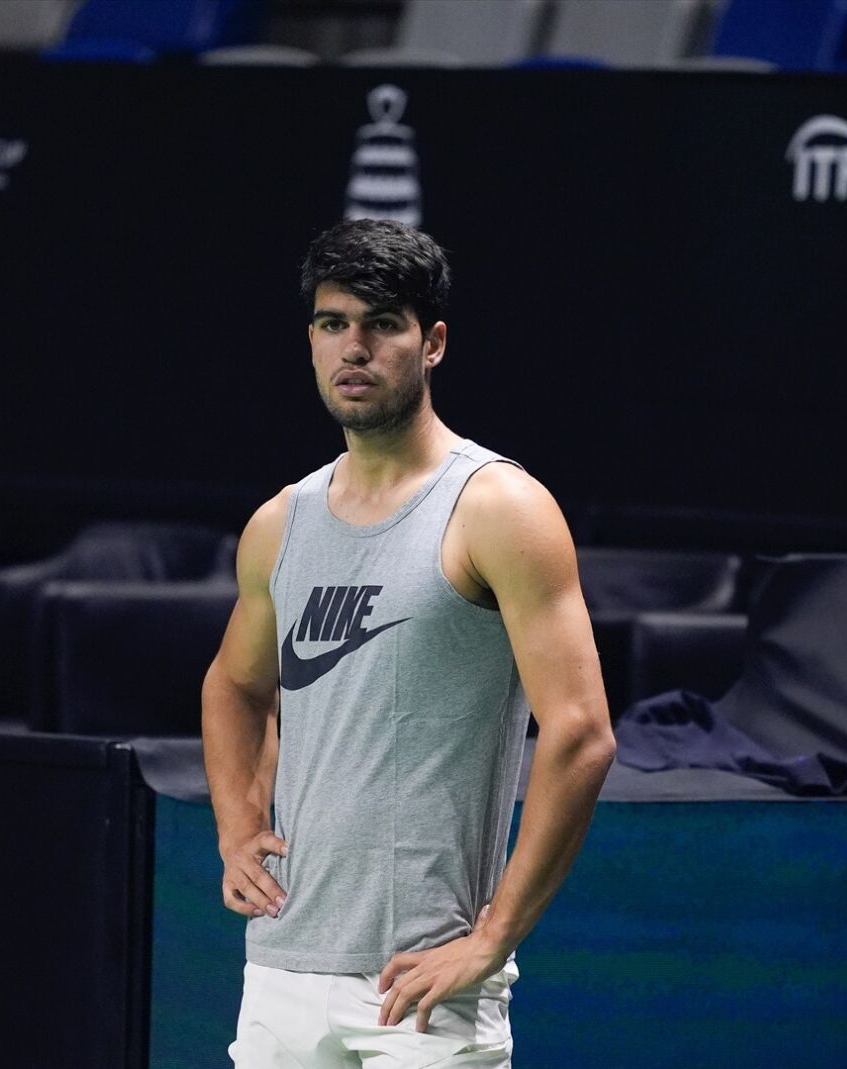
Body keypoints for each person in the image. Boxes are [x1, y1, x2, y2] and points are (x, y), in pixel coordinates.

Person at [201, 219, 615, 1067]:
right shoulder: (280, 523)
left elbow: (581, 732)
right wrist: (237, 826)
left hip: (425, 986)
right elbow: (234, 685)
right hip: (282, 965)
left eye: (382, 323)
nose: (353, 347)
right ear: (311, 341)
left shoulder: (498, 508)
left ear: (432, 343)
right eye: (332, 323)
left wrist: (492, 937)